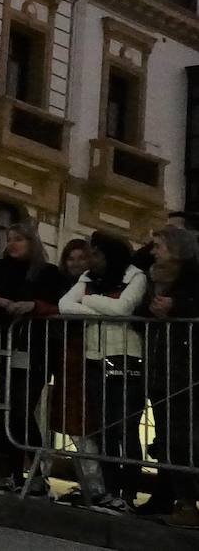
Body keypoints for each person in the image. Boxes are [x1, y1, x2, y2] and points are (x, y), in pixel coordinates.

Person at [0, 221, 67, 497]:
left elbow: (38, 304)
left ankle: (33, 473)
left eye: (19, 239)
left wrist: (3, 303)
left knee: (20, 410)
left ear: (32, 243)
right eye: (9, 239)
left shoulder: (46, 273)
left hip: (29, 349)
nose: (11, 244)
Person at [58, 232, 147, 513]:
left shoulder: (135, 276)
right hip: (94, 356)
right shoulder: (87, 278)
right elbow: (64, 305)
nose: (90, 260)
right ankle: (109, 490)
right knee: (104, 427)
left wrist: (89, 302)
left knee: (126, 427)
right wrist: (99, 305)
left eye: (95, 254)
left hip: (126, 355)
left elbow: (123, 309)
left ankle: (128, 492)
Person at [139, 226, 199, 528]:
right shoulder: (157, 277)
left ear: (176, 248)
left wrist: (176, 307)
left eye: (159, 246)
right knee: (166, 437)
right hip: (161, 364)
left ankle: (187, 502)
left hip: (186, 366)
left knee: (183, 437)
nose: (153, 250)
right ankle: (169, 497)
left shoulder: (192, 277)